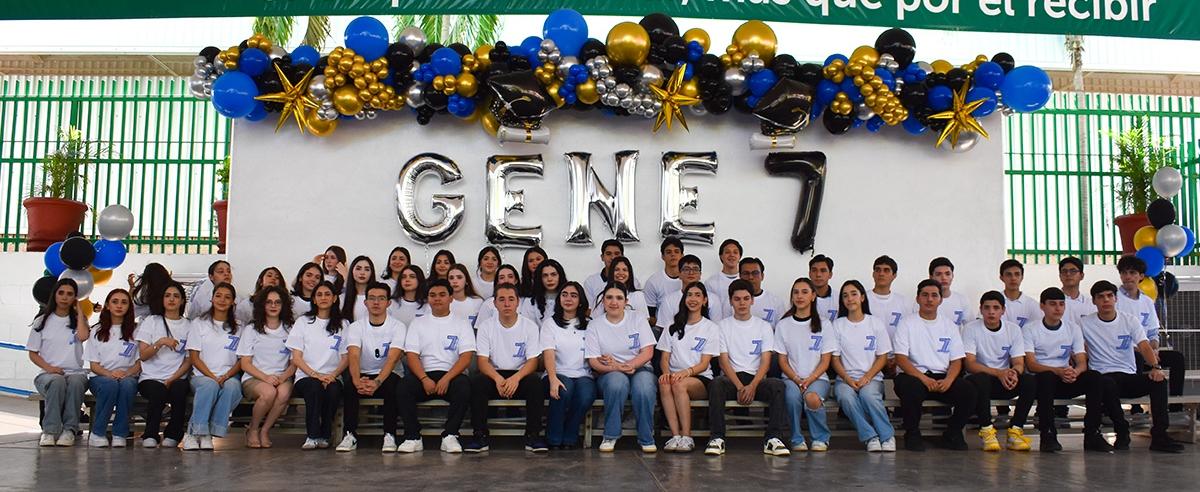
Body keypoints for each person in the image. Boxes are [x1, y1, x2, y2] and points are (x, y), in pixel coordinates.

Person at [1081, 280, 1184, 453]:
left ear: (1115, 299)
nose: (1106, 300)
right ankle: (1122, 430)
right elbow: (1079, 350)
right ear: (1094, 301)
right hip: (1103, 377)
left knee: (1159, 381)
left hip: (1128, 375)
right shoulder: (1085, 323)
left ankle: (1160, 436)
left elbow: (1144, 346)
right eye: (1100, 297)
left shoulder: (1129, 320)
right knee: (1106, 382)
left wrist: (1156, 367)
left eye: (1109, 296)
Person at [1023, 287, 1117, 453]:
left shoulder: (1073, 328)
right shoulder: (1030, 329)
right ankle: (1048, 435)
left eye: (1061, 304)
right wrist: (1058, 371)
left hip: (1066, 377)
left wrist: (1075, 372)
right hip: (1044, 380)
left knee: (1095, 377)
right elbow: (1031, 364)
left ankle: (1092, 434)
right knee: (1045, 377)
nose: (1058, 308)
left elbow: (1081, 362)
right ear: (1042, 306)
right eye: (1052, 304)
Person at [706, 280, 790, 457]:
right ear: (730, 301)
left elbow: (766, 361)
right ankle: (717, 438)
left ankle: (773, 438)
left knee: (778, 386)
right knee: (716, 384)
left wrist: (752, 386)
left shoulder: (764, 326)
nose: (742, 303)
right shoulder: (722, 326)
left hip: (756, 379)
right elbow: (723, 361)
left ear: (752, 300)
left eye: (746, 298)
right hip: (732, 379)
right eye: (737, 299)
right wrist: (739, 387)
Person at [893, 279, 976, 452]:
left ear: (940, 299)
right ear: (917, 299)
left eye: (934, 295)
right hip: (915, 375)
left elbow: (956, 360)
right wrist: (924, 379)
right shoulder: (906, 323)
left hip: (942, 377)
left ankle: (952, 433)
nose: (929, 299)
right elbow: (901, 359)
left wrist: (949, 380)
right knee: (910, 389)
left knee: (969, 391)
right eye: (925, 295)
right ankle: (912, 434)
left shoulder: (949, 325)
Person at [466, 283, 547, 453]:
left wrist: (515, 379)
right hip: (494, 375)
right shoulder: (486, 326)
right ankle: (480, 435)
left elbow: (533, 361)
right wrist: (498, 379)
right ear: (495, 303)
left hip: (520, 375)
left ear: (518, 302)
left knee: (536, 383)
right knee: (477, 382)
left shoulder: (529, 326)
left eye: (511, 299)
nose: (507, 304)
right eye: (502, 299)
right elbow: (482, 361)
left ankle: (533, 435)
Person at [397, 279, 475, 453]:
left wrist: (447, 378)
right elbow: (412, 355)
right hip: (424, 375)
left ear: (451, 298)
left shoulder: (462, 323)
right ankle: (413, 436)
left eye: (442, 295)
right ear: (428, 299)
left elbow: (466, 357)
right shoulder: (418, 323)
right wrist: (424, 378)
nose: (437, 299)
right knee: (403, 387)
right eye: (432, 295)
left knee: (464, 387)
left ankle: (450, 435)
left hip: (451, 375)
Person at [587, 282, 658, 453]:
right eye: (609, 298)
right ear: (603, 301)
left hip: (640, 368)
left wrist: (630, 365)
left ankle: (646, 437)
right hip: (609, 372)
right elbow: (594, 362)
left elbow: (648, 352)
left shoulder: (637, 318)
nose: (614, 302)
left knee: (644, 387)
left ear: (626, 301)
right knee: (617, 384)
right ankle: (610, 435)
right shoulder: (595, 325)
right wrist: (619, 368)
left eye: (619, 298)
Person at [962, 291, 1035, 452]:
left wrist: (1014, 373)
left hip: (1005, 380)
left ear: (1003, 310)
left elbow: (1018, 362)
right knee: (981, 379)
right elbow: (970, 364)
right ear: (981, 309)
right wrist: (998, 373)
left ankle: (1016, 430)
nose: (991, 312)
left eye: (996, 308)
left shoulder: (1013, 329)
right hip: (981, 382)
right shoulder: (970, 329)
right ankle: (987, 430)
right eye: (987, 308)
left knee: (1029, 381)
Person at [340, 283, 407, 452]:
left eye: (381, 298)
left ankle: (390, 435)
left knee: (393, 387)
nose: (376, 302)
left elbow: (392, 359)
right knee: (349, 387)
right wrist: (357, 381)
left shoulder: (398, 326)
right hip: (363, 374)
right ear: (365, 302)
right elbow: (353, 356)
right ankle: (349, 434)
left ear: (388, 303)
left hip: (388, 374)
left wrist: (377, 382)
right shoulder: (356, 327)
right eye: (372, 298)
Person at [831, 279, 896, 452]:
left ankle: (887, 436)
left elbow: (882, 356)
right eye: (845, 296)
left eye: (854, 294)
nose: (850, 299)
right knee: (846, 397)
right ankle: (870, 437)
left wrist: (867, 377)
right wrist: (847, 379)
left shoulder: (875, 323)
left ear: (862, 297)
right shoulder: (838, 325)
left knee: (868, 396)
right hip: (845, 379)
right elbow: (835, 359)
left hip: (872, 378)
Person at [1115, 255, 1187, 406]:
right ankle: (1135, 407)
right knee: (1137, 357)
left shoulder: (1147, 301)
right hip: (1125, 352)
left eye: (1132, 273)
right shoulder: (1114, 299)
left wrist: (1153, 349)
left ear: (1141, 276)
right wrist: (1142, 350)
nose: (1128, 277)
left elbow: (1153, 331)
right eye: (1124, 273)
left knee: (1177, 358)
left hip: (1147, 352)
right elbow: (1113, 334)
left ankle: (1176, 406)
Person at [657, 282, 721, 453]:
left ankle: (687, 436)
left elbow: (704, 364)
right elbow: (664, 358)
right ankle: (675, 436)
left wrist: (685, 373)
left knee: (679, 384)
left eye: (698, 295)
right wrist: (666, 373)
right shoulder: (672, 326)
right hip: (674, 375)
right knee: (664, 383)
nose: (693, 299)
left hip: (699, 378)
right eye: (689, 295)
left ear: (704, 300)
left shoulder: (711, 328)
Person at [776, 278, 836, 452]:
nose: (799, 296)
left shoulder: (824, 324)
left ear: (813, 296)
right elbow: (782, 361)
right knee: (791, 397)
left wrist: (809, 379)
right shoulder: (783, 325)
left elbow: (825, 360)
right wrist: (796, 379)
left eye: (804, 292)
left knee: (812, 397)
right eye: (796, 292)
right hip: (791, 378)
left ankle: (820, 438)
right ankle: (796, 438)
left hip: (818, 379)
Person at [28, 279, 90, 447]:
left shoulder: (78, 320)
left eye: (70, 294)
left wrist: (80, 311)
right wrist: (50, 368)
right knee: (57, 381)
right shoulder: (41, 321)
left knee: (76, 382)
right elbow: (33, 354)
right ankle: (50, 431)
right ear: (54, 295)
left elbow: (83, 336)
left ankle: (69, 430)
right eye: (61, 293)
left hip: (75, 373)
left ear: (75, 298)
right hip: (48, 374)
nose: (64, 297)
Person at [288, 281, 349, 450]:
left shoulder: (343, 324)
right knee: (314, 388)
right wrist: (315, 375)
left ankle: (325, 435)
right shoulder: (303, 322)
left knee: (333, 390)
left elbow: (346, 357)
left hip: (332, 376)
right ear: (314, 299)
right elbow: (297, 358)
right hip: (306, 376)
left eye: (327, 294)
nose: (323, 298)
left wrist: (332, 375)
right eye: (319, 295)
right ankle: (312, 435)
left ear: (334, 298)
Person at [184, 282, 243, 451]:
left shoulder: (239, 327)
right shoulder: (199, 323)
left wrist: (225, 376)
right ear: (212, 299)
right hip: (202, 376)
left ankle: (208, 431)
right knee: (210, 386)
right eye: (218, 296)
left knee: (233, 388)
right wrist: (212, 377)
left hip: (228, 375)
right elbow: (194, 357)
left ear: (233, 302)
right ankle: (194, 433)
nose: (222, 300)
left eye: (227, 297)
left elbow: (242, 359)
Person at [237, 285, 296, 449]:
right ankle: (253, 429)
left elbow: (294, 363)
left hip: (282, 377)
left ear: (284, 305)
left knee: (283, 393)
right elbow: (245, 363)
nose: (273, 306)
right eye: (269, 302)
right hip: (255, 378)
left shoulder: (290, 329)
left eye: (277, 302)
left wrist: (282, 378)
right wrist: (266, 378)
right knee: (269, 392)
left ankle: (265, 430)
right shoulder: (251, 329)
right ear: (262, 305)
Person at [135, 281, 192, 448]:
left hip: (177, 377)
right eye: (167, 296)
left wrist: (172, 378)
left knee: (179, 390)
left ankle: (173, 434)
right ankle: (150, 434)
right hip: (150, 378)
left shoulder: (189, 325)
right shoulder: (152, 321)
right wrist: (159, 343)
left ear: (182, 301)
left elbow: (189, 360)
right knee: (157, 391)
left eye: (176, 296)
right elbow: (143, 356)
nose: (171, 299)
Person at [541, 282, 594, 450]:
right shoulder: (550, 324)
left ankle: (570, 435)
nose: (568, 299)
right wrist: (552, 378)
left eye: (573, 295)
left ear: (581, 301)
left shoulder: (590, 324)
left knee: (586, 395)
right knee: (564, 389)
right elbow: (548, 352)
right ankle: (554, 438)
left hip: (584, 374)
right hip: (557, 372)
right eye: (564, 295)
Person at [84, 289, 141, 448]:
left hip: (128, 376)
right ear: (107, 306)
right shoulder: (97, 330)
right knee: (110, 385)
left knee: (127, 385)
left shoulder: (137, 330)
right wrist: (110, 374)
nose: (119, 306)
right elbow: (94, 365)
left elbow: (140, 362)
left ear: (129, 307)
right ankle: (98, 433)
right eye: (115, 302)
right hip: (101, 378)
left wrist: (126, 373)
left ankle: (119, 434)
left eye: (124, 302)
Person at [654, 255, 726, 337]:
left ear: (700, 274)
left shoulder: (713, 299)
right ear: (679, 274)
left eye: (695, 269)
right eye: (686, 269)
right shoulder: (668, 300)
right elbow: (664, 330)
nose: (691, 273)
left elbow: (716, 328)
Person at [590, 256, 649, 321]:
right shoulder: (601, 297)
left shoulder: (638, 295)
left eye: (624, 270)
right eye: (616, 270)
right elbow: (595, 322)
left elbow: (644, 320)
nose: (621, 273)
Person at [866, 255, 910, 341]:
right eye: (878, 270)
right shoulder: (862, 299)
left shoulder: (904, 302)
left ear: (894, 275)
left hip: (897, 349)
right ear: (873, 274)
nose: (881, 274)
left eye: (886, 270)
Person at [643, 237, 684, 325]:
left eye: (676, 251)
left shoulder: (688, 279)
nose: (673, 255)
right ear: (662, 256)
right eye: (668, 252)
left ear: (682, 255)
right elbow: (650, 316)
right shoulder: (653, 282)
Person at [928, 257, 973, 329]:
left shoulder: (962, 300)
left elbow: (971, 327)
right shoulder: (923, 302)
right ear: (931, 277)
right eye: (938, 274)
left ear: (952, 276)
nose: (944, 278)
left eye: (947, 274)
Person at [739, 257, 786, 325]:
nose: (750, 277)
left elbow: (781, 328)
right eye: (746, 273)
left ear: (762, 276)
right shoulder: (732, 302)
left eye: (755, 273)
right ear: (740, 276)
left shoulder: (776, 302)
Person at [583, 239, 631, 303]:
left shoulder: (633, 282)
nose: (613, 257)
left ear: (622, 256)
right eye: (608, 254)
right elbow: (591, 308)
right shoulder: (591, 282)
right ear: (602, 257)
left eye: (617, 254)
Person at [998, 260, 1041, 329]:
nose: (1013, 278)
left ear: (1022, 277)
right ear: (1001, 278)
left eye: (1017, 274)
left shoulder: (1033, 305)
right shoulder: (993, 303)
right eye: (1009, 274)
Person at [524, 259, 567, 323]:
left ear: (560, 276)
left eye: (553, 274)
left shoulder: (569, 300)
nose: (549, 279)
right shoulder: (530, 302)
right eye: (545, 275)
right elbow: (527, 326)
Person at [704, 238, 743, 308]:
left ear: (740, 256)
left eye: (735, 252)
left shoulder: (745, 280)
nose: (732, 255)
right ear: (721, 256)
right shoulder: (710, 282)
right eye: (727, 252)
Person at [340, 256, 377, 324]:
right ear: (352, 271)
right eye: (358, 268)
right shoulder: (342, 298)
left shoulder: (377, 299)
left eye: (367, 269)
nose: (362, 273)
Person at [1058, 256, 1096, 322]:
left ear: (1082, 276)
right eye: (1064, 271)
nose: (1068, 274)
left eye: (1073, 271)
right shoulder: (1052, 302)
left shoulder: (1090, 304)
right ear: (1060, 276)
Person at [809, 255, 837, 323]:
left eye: (823, 270)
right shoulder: (802, 298)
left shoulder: (839, 298)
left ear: (830, 274)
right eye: (814, 270)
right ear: (809, 274)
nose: (818, 274)